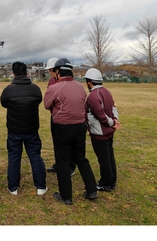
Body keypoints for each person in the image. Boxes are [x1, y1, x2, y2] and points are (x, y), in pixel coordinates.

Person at [44, 58, 98, 205]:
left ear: (58, 71)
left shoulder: (55, 87)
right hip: (80, 126)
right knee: (81, 158)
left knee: (62, 161)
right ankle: (92, 190)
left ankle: (66, 195)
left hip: (62, 127)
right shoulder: (80, 87)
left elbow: (47, 104)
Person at [0, 62, 48, 196]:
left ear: (13, 73)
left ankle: (13, 187)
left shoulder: (8, 90)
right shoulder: (35, 89)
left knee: (14, 157)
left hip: (14, 130)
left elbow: (4, 103)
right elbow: (38, 100)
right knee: (35, 156)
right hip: (31, 129)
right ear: (26, 73)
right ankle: (41, 186)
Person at [84, 68, 121, 192]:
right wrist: (115, 120)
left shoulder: (94, 96)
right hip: (108, 132)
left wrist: (111, 122)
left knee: (104, 159)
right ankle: (112, 181)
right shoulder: (106, 91)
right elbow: (113, 107)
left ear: (90, 82)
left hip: (100, 134)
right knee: (110, 157)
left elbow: (99, 114)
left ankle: (105, 183)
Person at [45, 57, 75, 176]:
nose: (49, 73)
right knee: (57, 141)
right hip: (55, 115)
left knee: (69, 143)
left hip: (67, 117)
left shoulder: (66, 81)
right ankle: (60, 164)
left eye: (50, 70)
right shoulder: (51, 81)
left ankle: (71, 166)